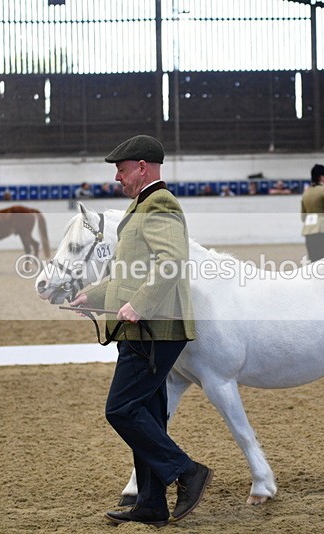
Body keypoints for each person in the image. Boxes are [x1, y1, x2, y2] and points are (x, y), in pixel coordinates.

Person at [68, 135, 212, 527]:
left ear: (142, 167)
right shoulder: (140, 206)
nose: (117, 176)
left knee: (121, 408)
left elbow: (171, 261)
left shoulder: (160, 203)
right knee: (147, 412)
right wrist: (93, 295)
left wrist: (140, 305)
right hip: (143, 329)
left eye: (121, 167)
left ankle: (186, 470)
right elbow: (126, 273)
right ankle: (151, 503)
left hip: (155, 327)